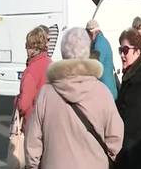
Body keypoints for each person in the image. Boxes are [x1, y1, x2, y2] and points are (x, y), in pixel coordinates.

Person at [25, 28, 124, 169]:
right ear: (87, 51)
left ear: (63, 52)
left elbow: (32, 142)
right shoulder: (102, 92)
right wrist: (103, 159)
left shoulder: (46, 93)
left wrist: (34, 165)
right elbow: (116, 136)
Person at [115, 28, 141, 169]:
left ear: (138, 51)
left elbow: (132, 125)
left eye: (125, 50)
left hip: (136, 155)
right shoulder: (133, 75)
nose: (122, 54)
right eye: (120, 49)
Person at [17, 26, 51, 129]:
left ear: (33, 48)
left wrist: (16, 100)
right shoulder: (51, 64)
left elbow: (23, 105)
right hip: (51, 121)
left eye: (27, 46)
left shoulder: (31, 71)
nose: (26, 49)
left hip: (34, 125)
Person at [86, 19, 118, 100]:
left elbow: (94, 68)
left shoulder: (99, 44)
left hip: (106, 92)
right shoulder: (102, 41)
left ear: (92, 32)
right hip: (108, 90)